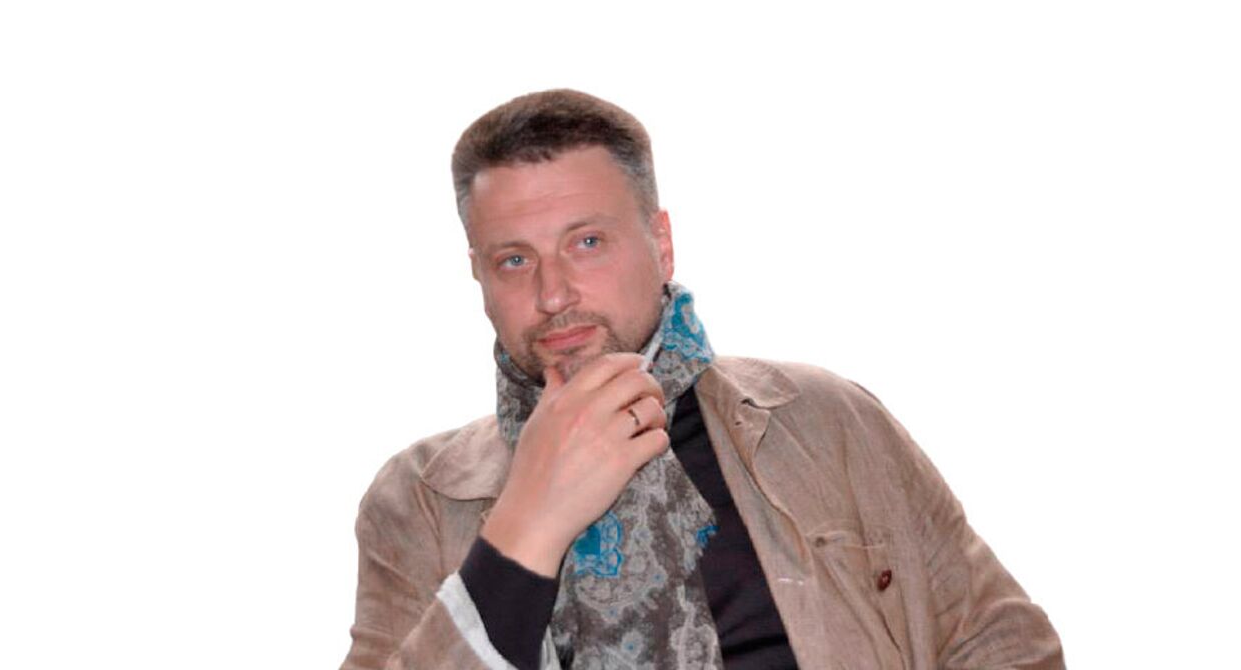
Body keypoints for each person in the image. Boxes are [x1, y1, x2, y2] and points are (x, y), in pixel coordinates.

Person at [339, 89, 1064, 669]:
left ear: (661, 243)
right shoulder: (417, 500)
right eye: (515, 260)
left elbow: (1003, 644)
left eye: (587, 242)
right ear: (479, 277)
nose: (554, 294)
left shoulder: (825, 421)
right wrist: (526, 524)